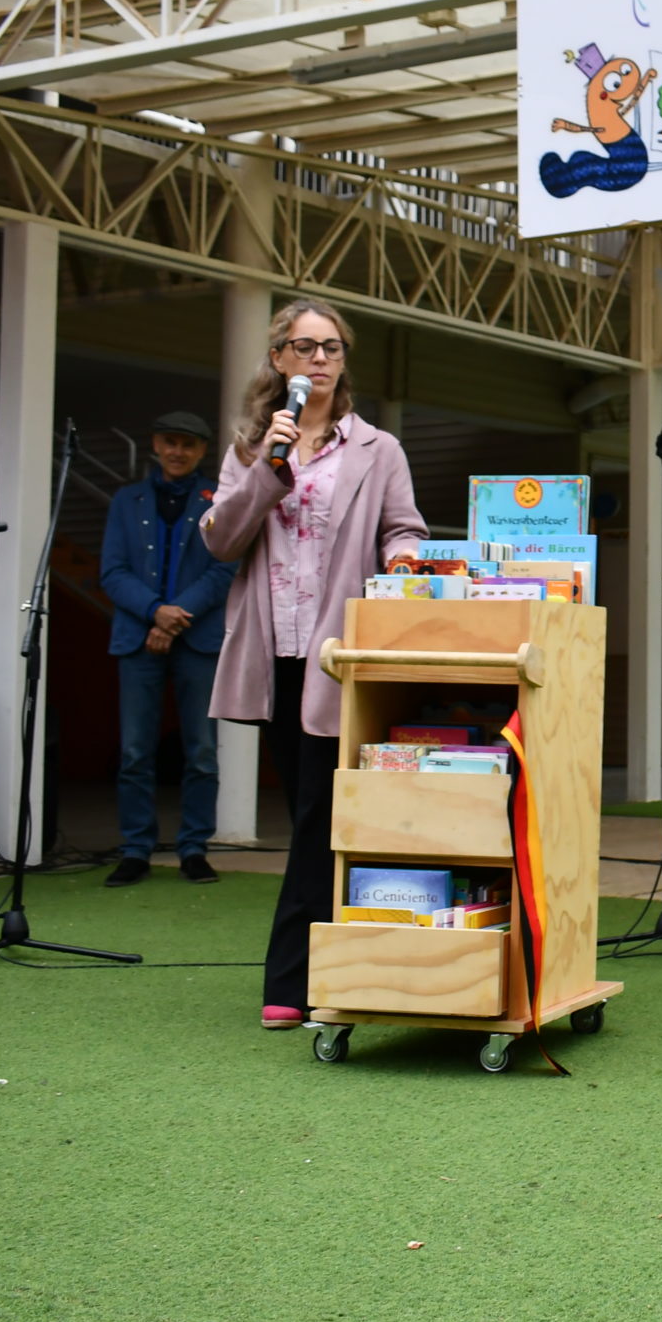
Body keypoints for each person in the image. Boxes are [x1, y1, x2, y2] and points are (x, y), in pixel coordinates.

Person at [201, 300, 423, 1030]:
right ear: (279, 360)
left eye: (331, 347)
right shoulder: (250, 451)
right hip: (275, 656)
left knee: (320, 815)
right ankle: (338, 969)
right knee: (312, 815)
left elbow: (403, 529)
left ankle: (294, 979)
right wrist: (269, 467)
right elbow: (220, 540)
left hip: (343, 657)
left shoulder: (378, 449)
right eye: (305, 347)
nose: (320, 359)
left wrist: (403, 563)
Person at [99, 412, 236, 887]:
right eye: (170, 442)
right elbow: (112, 571)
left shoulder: (220, 498)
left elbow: (225, 569)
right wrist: (156, 612)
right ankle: (135, 849)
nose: (178, 451)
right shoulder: (127, 500)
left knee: (202, 751)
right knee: (135, 751)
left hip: (197, 639)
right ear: (155, 444)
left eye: (188, 444)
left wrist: (175, 617)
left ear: (203, 450)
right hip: (138, 637)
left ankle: (194, 848)